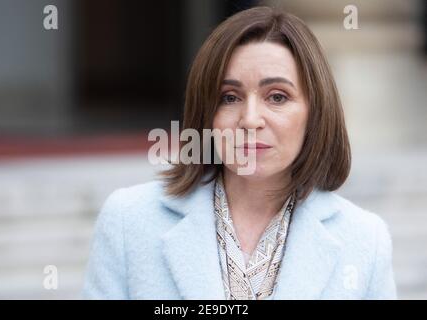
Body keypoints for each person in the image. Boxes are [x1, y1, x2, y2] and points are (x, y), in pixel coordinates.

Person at [82, 7, 397, 300]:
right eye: (230, 97)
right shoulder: (129, 220)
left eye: (277, 96)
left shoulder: (365, 240)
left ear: (315, 113)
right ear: (206, 113)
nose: (250, 119)